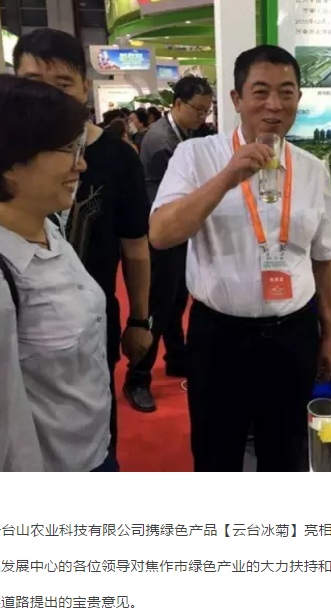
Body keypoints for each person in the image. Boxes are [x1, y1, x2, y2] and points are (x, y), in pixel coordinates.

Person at [149, 45, 331, 472]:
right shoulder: (196, 156)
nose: (274, 105)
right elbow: (161, 234)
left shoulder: (312, 170)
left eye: (286, 92)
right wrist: (227, 177)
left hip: (293, 335)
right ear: (236, 99)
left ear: (298, 99)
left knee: (286, 455)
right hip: (220, 337)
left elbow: (325, 260)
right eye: (260, 91)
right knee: (216, 454)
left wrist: (328, 336)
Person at [0, 74, 115, 472]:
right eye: (68, 150)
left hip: (94, 450)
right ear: (10, 163)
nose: (81, 164)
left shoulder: (48, 228)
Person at [13, 29, 153, 457]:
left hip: (91, 324)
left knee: (95, 434)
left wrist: (140, 321)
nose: (48, 97)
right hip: (13, 327)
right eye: (33, 82)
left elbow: (135, 247)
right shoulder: (0, 153)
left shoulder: (119, 157)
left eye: (62, 84)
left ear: (84, 88)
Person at [123, 77, 214, 413]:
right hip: (160, 235)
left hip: (179, 233)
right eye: (198, 110)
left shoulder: (187, 134)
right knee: (158, 307)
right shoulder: (161, 141)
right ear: (177, 104)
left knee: (177, 300)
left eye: (206, 111)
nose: (202, 117)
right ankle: (137, 377)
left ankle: (176, 357)